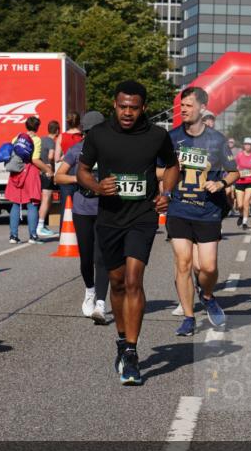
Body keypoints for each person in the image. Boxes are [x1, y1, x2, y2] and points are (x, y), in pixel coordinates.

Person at [76, 80, 178, 385]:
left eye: (134, 107)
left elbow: (173, 166)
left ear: (143, 108)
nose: (128, 112)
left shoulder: (158, 135)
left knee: (134, 279)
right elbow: (82, 169)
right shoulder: (99, 134)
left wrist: (167, 193)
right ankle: (122, 341)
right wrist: (95, 186)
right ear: (114, 105)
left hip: (142, 216)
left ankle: (131, 352)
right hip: (109, 218)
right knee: (117, 283)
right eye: (123, 106)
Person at [167, 87, 239, 337]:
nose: (183, 109)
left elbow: (234, 172)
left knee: (207, 267)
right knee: (183, 263)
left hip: (208, 211)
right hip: (178, 208)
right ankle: (188, 317)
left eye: (188, 105)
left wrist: (220, 183)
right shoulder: (172, 137)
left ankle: (207, 295)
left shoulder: (216, 140)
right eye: (182, 105)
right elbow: (161, 169)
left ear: (202, 108)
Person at [54, 111, 111, 324]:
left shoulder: (110, 151)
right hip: (82, 210)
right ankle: (90, 291)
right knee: (86, 257)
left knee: (101, 257)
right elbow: (57, 175)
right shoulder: (76, 150)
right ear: (86, 132)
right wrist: (78, 179)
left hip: (106, 209)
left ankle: (101, 304)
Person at [5, 116, 52, 244]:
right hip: (30, 172)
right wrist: (47, 170)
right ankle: (32, 235)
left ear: (26, 126)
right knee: (32, 204)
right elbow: (35, 159)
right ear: (37, 127)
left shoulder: (17, 137)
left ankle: (13, 236)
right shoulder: (36, 140)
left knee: (15, 204)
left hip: (16, 173)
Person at [37, 120, 62, 238]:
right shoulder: (52, 142)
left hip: (40, 172)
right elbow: (51, 156)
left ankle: (41, 225)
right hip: (47, 173)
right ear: (57, 130)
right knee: (46, 199)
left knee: (45, 199)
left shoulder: (41, 140)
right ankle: (40, 226)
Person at [234, 137, 251, 229]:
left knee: (246, 201)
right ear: (243, 145)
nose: (247, 146)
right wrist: (238, 173)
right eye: (246, 144)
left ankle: (245, 222)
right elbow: (235, 167)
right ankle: (241, 215)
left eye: (249, 144)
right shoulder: (239, 155)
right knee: (240, 205)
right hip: (240, 181)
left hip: (250, 182)